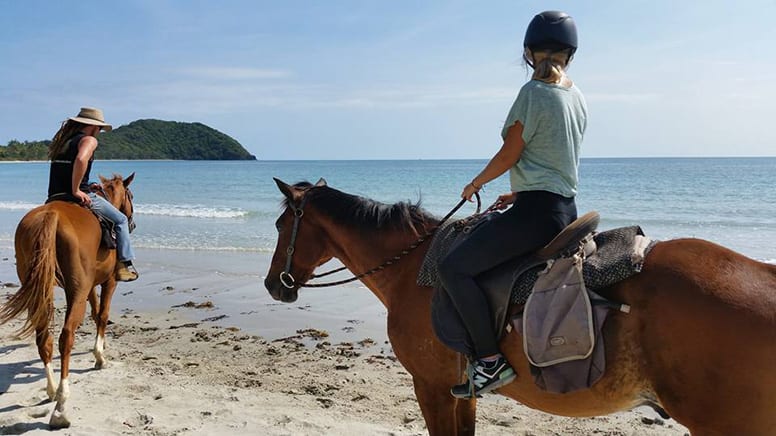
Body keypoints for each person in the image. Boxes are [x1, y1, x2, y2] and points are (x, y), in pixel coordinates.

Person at [438, 10, 587, 398]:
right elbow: (557, 157)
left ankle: (489, 363)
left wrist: (476, 183)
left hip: (536, 216)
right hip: (563, 208)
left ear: (528, 53)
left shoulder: (532, 94)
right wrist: (520, 192)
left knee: (453, 268)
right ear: (570, 54)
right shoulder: (578, 97)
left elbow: (510, 154)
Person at [47, 107, 139, 282]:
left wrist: (87, 184)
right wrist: (77, 190)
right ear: (94, 127)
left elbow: (65, 170)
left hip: (54, 196)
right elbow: (81, 160)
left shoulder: (63, 142)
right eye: (100, 129)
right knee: (120, 220)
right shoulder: (89, 140)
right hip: (73, 195)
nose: (99, 133)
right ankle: (123, 265)